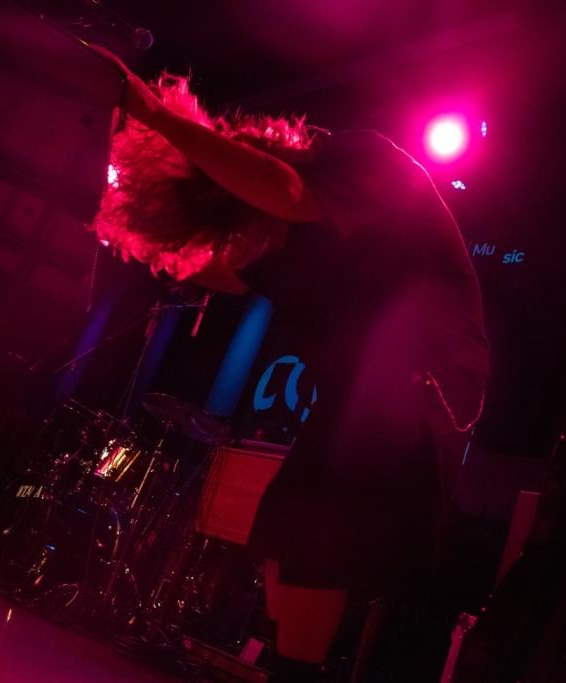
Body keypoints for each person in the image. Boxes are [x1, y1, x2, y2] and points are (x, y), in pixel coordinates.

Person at [91, 47, 490, 681]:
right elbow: (218, 269)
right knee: (284, 544)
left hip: (417, 390)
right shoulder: (291, 252)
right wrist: (107, 201)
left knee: (310, 551)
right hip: (361, 401)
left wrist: (159, 120)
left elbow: (282, 191)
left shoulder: (363, 159)